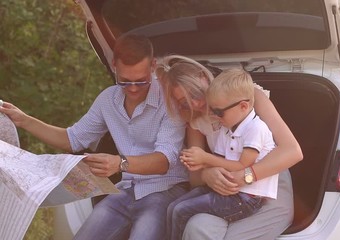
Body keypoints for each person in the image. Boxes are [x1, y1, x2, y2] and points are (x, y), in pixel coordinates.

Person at [0, 34, 189, 240]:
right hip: (126, 190)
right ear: (114, 64)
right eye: (125, 81)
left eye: (141, 81)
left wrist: (120, 164)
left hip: (166, 191)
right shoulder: (107, 99)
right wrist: (24, 120)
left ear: (153, 66)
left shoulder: (170, 99)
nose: (133, 88)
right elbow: (72, 139)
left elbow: (163, 160)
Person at [157, 55, 303, 240]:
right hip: (227, 191)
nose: (195, 104)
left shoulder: (247, 95)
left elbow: (292, 151)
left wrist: (247, 175)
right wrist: (207, 175)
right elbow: (195, 176)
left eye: (195, 93)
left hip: (269, 185)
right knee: (196, 228)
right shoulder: (195, 119)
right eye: (185, 102)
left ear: (203, 76)